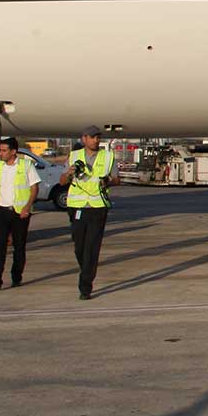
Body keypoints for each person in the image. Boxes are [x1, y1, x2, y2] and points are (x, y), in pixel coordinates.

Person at [59, 125, 115, 299]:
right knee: (79, 246)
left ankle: (85, 286)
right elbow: (62, 181)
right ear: (84, 139)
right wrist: (69, 173)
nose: (95, 140)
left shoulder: (108, 157)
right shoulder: (74, 156)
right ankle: (86, 269)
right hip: (77, 207)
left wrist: (108, 180)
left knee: (92, 247)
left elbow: (117, 178)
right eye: (92, 137)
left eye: (98, 137)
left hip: (98, 207)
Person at [0, 135, 38, 289]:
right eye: (0, 150)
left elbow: (34, 188)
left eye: (4, 151)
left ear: (13, 151)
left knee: (19, 246)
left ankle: (16, 276)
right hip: (1, 211)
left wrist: (27, 207)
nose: (1, 153)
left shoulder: (26, 165)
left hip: (19, 212)